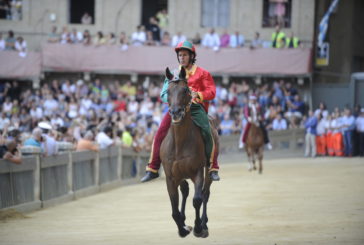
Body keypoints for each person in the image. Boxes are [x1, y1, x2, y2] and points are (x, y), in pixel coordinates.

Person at [141, 40, 220, 182]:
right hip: (176, 108)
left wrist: (199, 95)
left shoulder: (203, 74)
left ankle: (212, 167)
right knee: (160, 133)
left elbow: (212, 92)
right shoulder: (172, 74)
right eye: (180, 55)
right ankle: (152, 168)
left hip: (196, 108)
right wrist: (172, 98)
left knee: (208, 132)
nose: (182, 58)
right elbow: (163, 94)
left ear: (191, 56)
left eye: (184, 55)